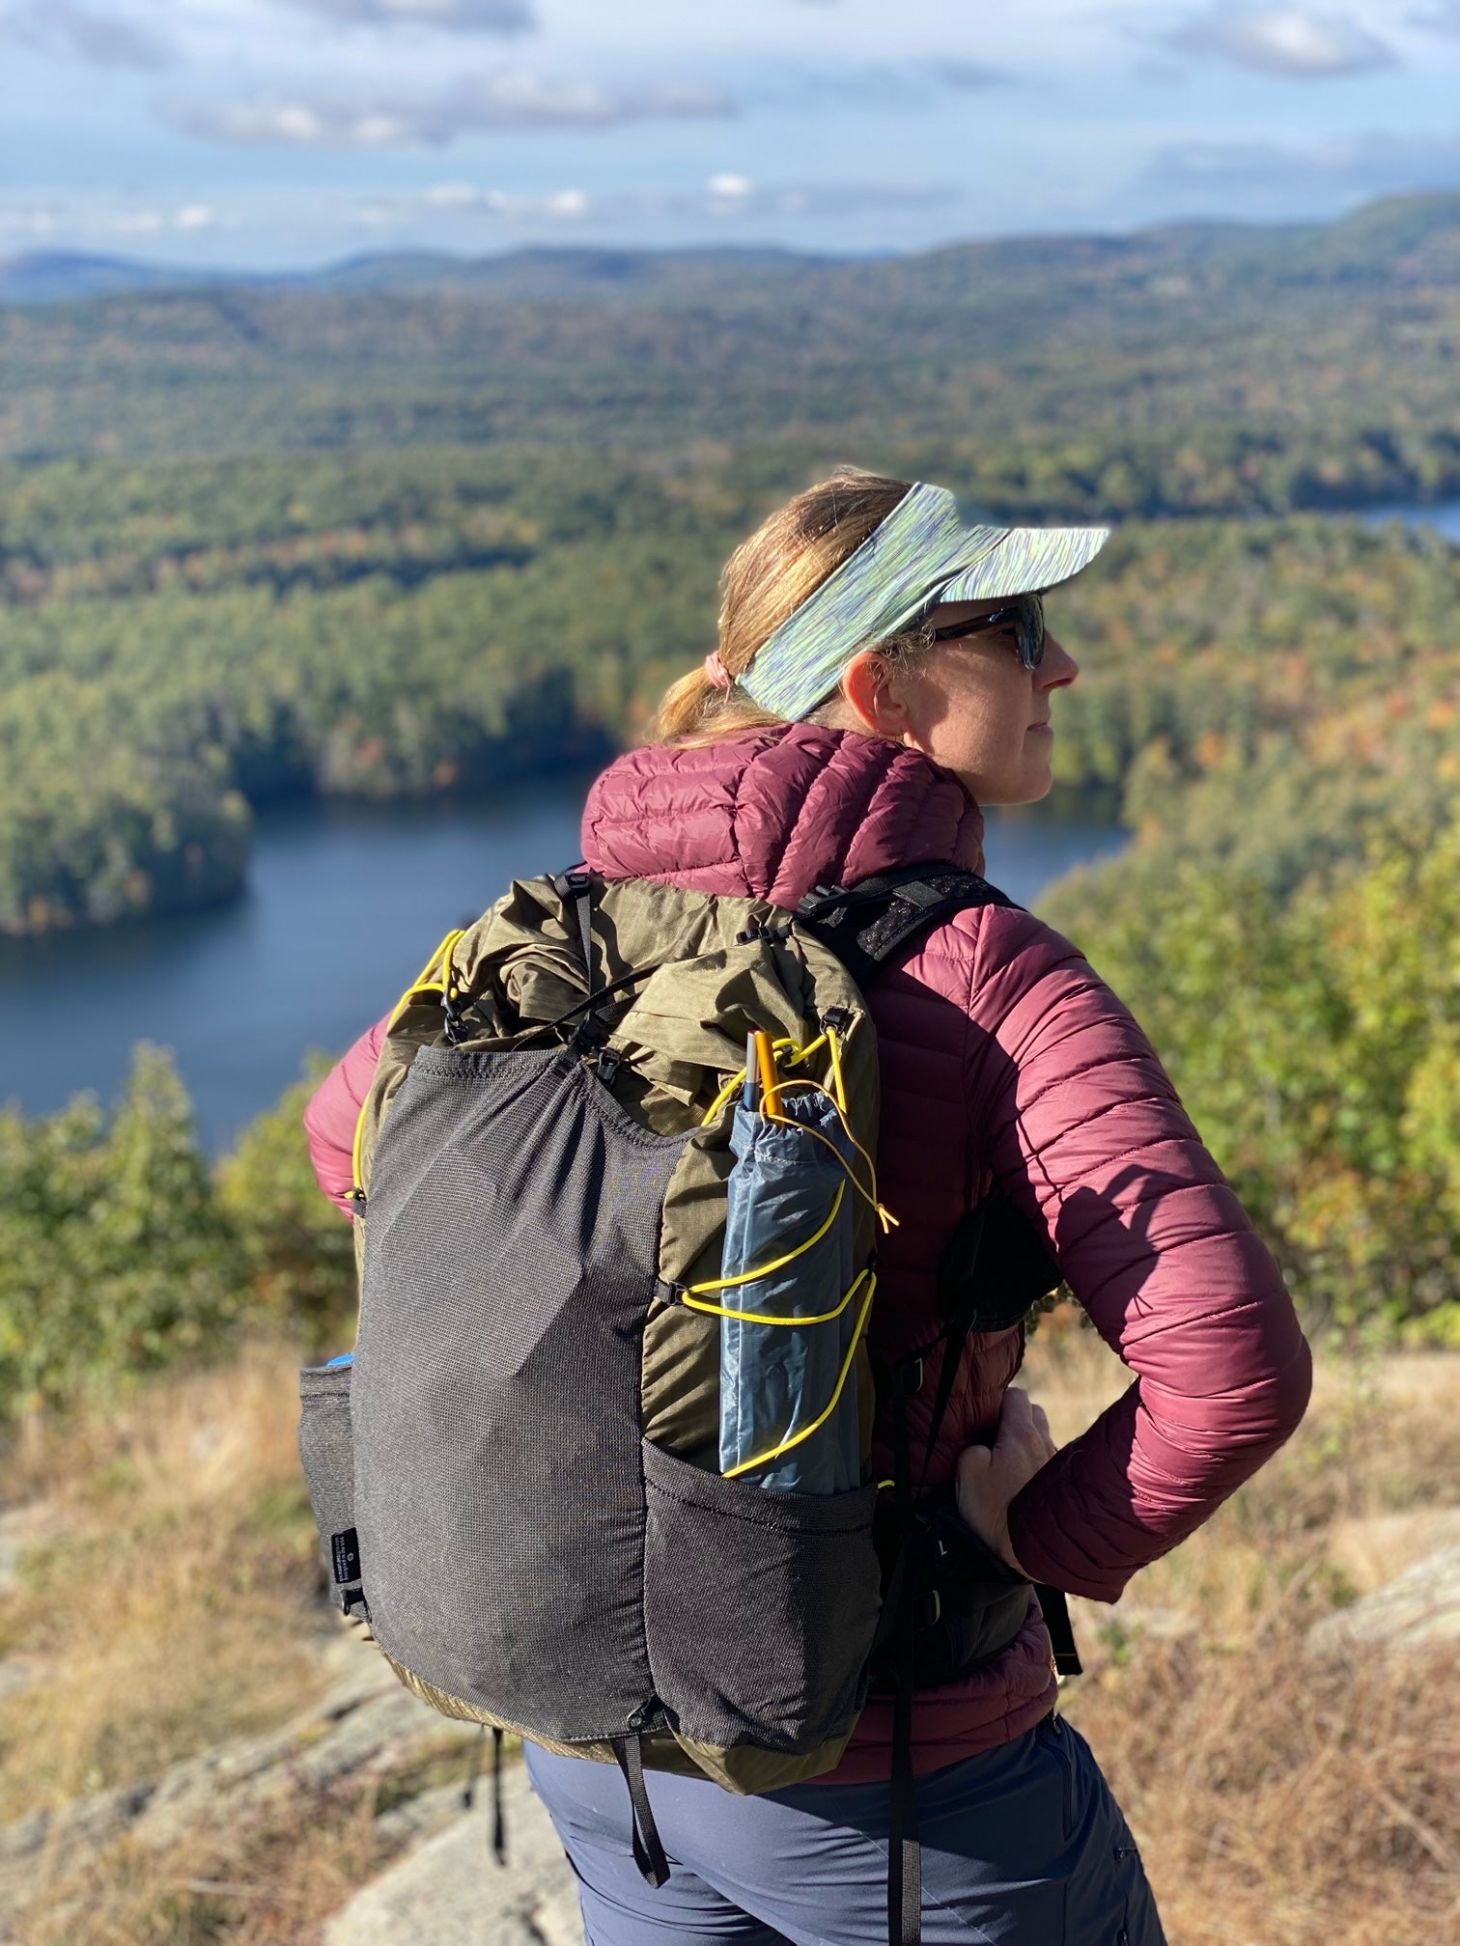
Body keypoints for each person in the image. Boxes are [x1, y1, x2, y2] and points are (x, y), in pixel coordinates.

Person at [303, 468, 1312, 1946]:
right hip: (907, 1782)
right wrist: (1038, 1533)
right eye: (1016, 627)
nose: (1062, 665)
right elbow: (1235, 1371)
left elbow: (350, 1148)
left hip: (605, 1766)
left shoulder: (564, 926)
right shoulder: (989, 979)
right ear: (878, 685)